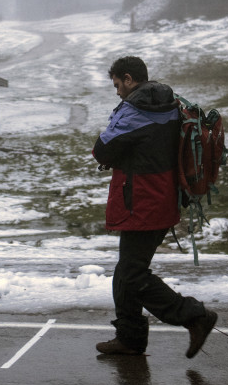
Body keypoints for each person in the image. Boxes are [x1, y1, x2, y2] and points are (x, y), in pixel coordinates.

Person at [92, 56, 217, 358]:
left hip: (143, 203)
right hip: (161, 199)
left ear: (129, 79)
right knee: (126, 271)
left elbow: (102, 149)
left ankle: (193, 315)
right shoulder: (170, 104)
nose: (117, 92)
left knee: (132, 273)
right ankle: (130, 337)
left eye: (118, 85)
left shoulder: (137, 110)